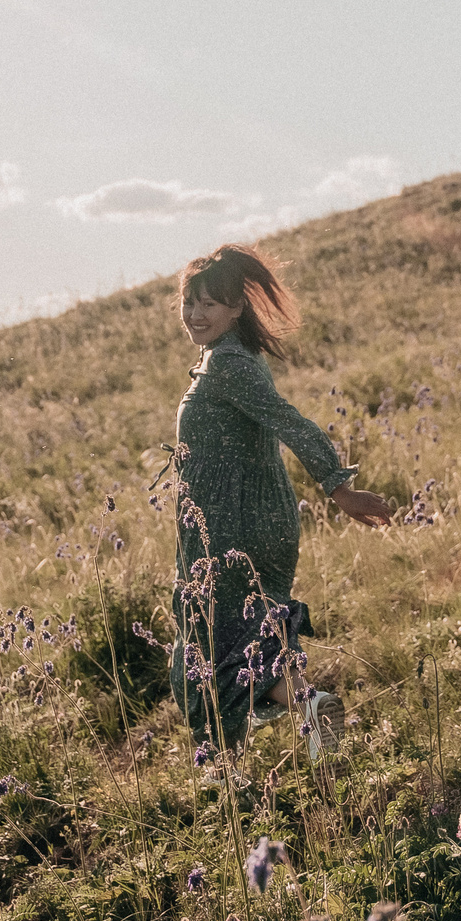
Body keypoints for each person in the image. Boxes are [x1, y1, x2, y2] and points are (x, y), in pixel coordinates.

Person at [167, 244, 390, 755]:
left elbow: (290, 421)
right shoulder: (227, 358)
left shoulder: (228, 365)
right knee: (247, 640)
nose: (196, 315)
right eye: (189, 302)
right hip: (245, 521)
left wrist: (339, 487)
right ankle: (303, 714)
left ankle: (234, 761)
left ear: (236, 309)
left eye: (210, 304)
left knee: (210, 651)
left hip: (233, 528)